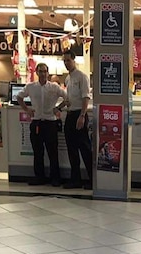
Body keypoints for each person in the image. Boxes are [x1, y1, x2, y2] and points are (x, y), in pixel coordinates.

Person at [18, 62, 66, 186]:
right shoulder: (31, 86)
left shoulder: (54, 87)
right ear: (37, 73)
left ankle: (55, 178)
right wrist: (26, 110)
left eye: (45, 71)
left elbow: (67, 98)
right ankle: (39, 177)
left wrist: (58, 108)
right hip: (37, 122)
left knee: (52, 152)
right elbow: (19, 97)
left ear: (48, 73)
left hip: (50, 123)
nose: (43, 74)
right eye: (41, 71)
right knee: (38, 152)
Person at [59, 51, 93, 189]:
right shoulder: (68, 79)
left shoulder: (82, 77)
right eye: (64, 61)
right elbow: (68, 99)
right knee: (71, 149)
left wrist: (82, 116)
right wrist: (59, 108)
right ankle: (75, 179)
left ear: (74, 60)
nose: (66, 63)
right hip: (70, 115)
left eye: (68, 60)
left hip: (80, 114)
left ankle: (92, 180)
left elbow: (85, 97)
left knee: (85, 149)